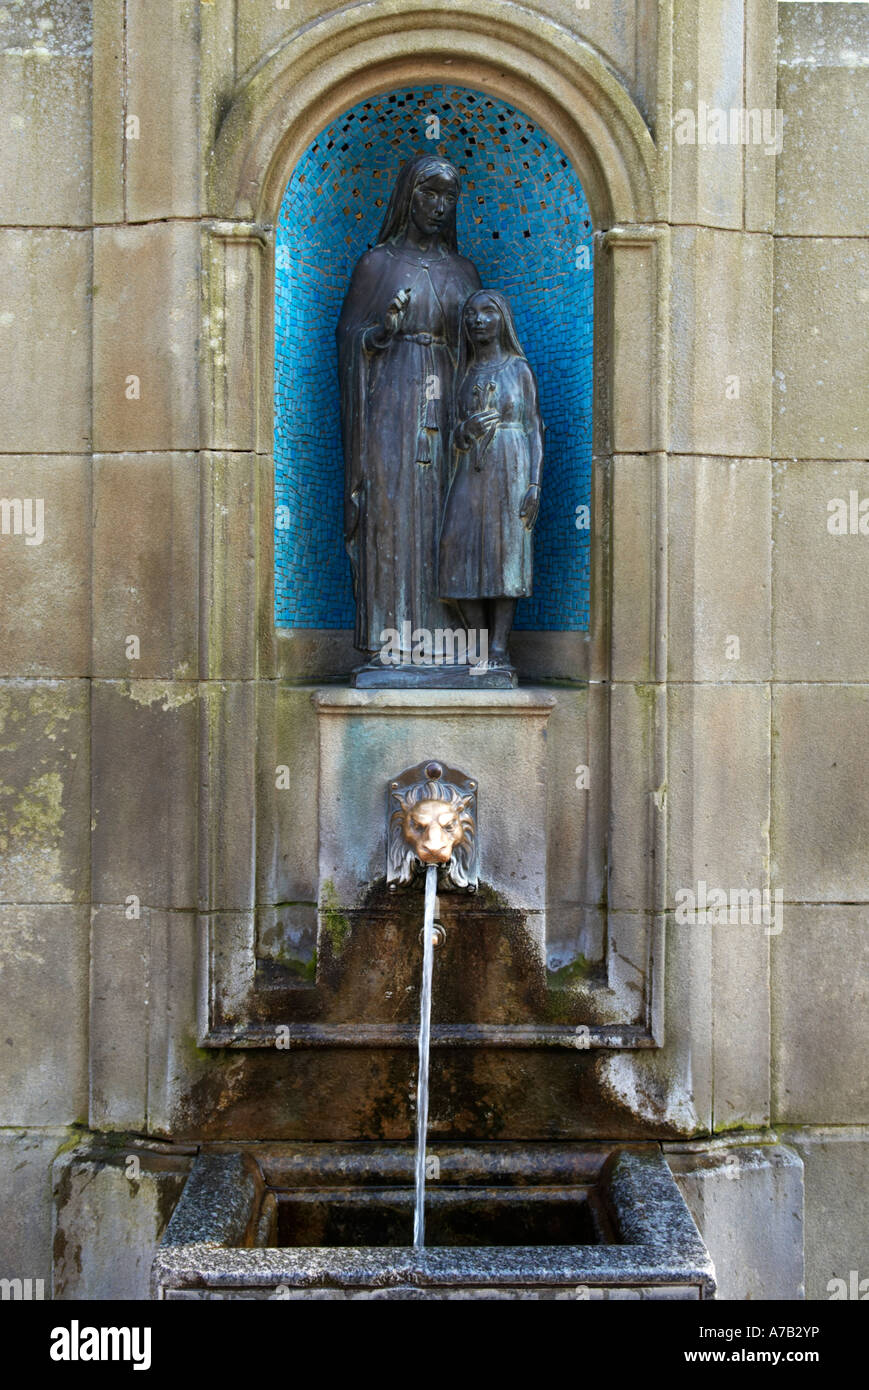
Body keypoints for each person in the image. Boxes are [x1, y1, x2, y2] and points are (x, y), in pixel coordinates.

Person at [336, 156, 482, 663]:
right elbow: (349, 339)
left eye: (449, 198)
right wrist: (378, 335)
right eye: (429, 194)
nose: (439, 207)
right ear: (407, 196)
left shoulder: (464, 271)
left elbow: (482, 345)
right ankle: (390, 639)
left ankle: (453, 641)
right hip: (391, 401)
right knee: (391, 507)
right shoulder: (377, 264)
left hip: (446, 403)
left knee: (450, 509)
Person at [438, 290, 544, 665]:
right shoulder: (462, 373)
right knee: (455, 546)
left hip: (511, 468)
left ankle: (499, 647)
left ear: (503, 321)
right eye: (471, 314)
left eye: (487, 313)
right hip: (470, 470)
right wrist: (464, 431)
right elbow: (451, 431)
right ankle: (478, 643)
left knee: (504, 554)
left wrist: (534, 483)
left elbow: (534, 427)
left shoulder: (519, 369)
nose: (478, 320)